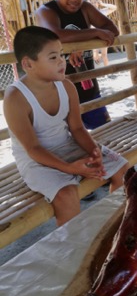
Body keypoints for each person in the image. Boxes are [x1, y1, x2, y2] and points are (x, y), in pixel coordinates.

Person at [3, 26, 128, 226]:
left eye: (61, 54)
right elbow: (33, 149)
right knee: (67, 195)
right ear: (28, 64)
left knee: (123, 170)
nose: (62, 61)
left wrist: (94, 151)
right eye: (53, 57)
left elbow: (77, 129)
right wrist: (70, 168)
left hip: (67, 146)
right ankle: (72, 249)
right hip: (35, 159)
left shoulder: (66, 87)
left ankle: (114, 226)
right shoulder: (16, 98)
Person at [35, 0, 119, 129]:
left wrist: (80, 44)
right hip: (58, 94)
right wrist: (91, 35)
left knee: (104, 134)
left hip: (89, 89)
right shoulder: (45, 11)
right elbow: (55, 34)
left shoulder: (86, 8)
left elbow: (112, 30)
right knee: (67, 145)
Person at [89, 0, 117, 66]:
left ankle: (107, 71)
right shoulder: (88, 14)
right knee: (95, 56)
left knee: (104, 56)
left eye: (95, 2)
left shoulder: (102, 12)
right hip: (94, 37)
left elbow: (114, 7)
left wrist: (102, 4)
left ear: (98, 3)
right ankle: (98, 56)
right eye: (91, 3)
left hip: (103, 36)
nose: (93, 4)